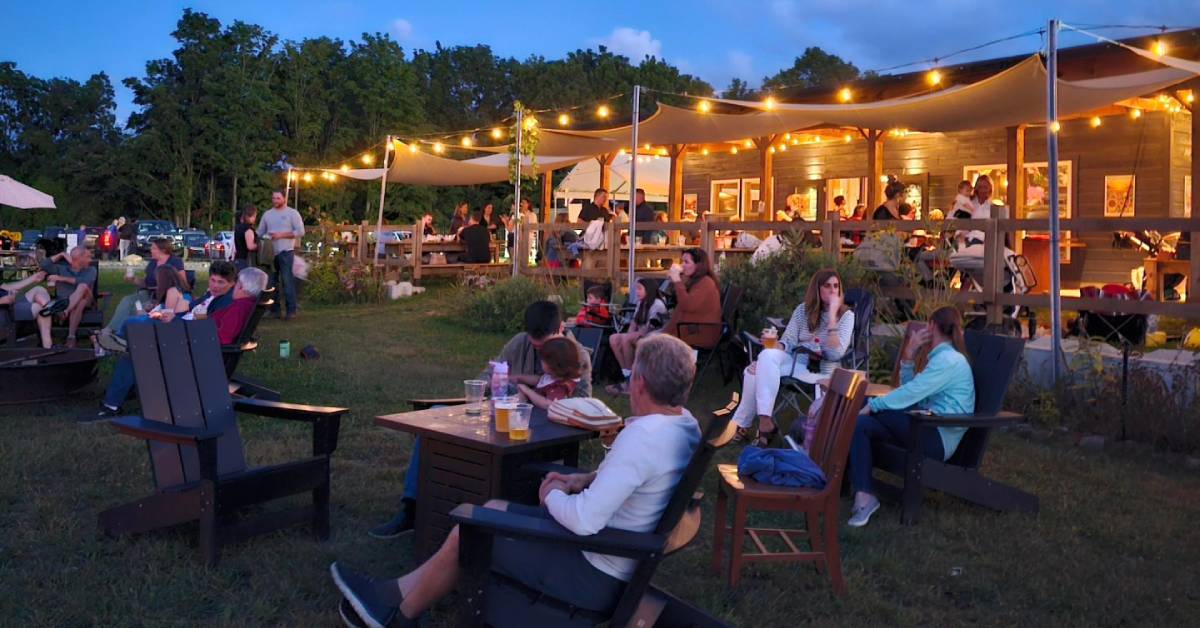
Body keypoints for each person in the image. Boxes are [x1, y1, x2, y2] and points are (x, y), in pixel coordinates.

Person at [333, 334, 700, 628]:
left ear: (639, 382)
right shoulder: (682, 425)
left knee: (473, 529)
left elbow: (584, 520)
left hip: (589, 574)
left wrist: (554, 493)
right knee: (489, 509)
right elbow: (635, 480)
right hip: (613, 557)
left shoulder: (644, 439)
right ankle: (393, 595)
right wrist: (584, 479)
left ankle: (399, 613)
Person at [369, 301, 593, 539]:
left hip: (541, 432)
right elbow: (488, 374)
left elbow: (583, 405)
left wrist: (533, 399)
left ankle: (477, 516)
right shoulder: (519, 343)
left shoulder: (576, 356)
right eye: (535, 347)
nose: (539, 352)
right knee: (434, 422)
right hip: (503, 417)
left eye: (543, 347)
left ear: (560, 328)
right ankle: (413, 507)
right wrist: (492, 382)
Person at [846, 306, 975, 527]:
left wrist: (873, 404)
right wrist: (908, 357)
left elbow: (910, 394)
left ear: (932, 326)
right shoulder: (943, 359)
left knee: (868, 404)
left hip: (935, 439)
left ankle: (818, 439)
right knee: (860, 424)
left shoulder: (949, 361)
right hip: (922, 427)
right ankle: (864, 496)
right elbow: (913, 392)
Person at [85, 267, 268, 422]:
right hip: (195, 342)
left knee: (135, 353)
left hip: (194, 350)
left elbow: (222, 339)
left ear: (242, 286)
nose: (234, 287)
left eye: (236, 284)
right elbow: (212, 325)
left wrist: (188, 328)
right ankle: (123, 353)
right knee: (137, 346)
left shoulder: (238, 308)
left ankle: (111, 402)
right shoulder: (243, 304)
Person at [731, 269, 854, 446]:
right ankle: (765, 422)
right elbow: (787, 341)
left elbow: (835, 353)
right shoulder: (802, 310)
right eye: (827, 286)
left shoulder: (846, 316)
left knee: (753, 373)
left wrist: (833, 318)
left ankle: (745, 425)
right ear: (817, 289)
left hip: (822, 371)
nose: (833, 290)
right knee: (765, 357)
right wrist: (768, 352)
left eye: (836, 286)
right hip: (798, 362)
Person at [96, 265, 193, 352]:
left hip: (166, 328)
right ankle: (116, 340)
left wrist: (149, 315)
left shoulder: (172, 291)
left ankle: (119, 341)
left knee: (130, 320)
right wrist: (154, 309)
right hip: (175, 326)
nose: (157, 282)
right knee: (134, 318)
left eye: (158, 279)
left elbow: (167, 317)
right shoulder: (180, 291)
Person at [105, 237, 189, 335]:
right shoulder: (153, 263)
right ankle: (111, 330)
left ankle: (121, 334)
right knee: (127, 301)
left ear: (163, 250)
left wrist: (162, 288)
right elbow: (146, 282)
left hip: (165, 297)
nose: (150, 250)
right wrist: (133, 280)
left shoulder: (175, 261)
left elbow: (182, 282)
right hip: (148, 293)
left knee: (136, 309)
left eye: (153, 248)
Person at [606, 277, 668, 394]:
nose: (636, 292)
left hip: (654, 336)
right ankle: (627, 375)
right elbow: (634, 322)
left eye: (639, 289)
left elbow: (649, 328)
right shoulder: (641, 302)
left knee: (626, 339)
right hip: (641, 334)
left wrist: (628, 337)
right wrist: (627, 335)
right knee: (614, 338)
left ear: (648, 290)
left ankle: (631, 382)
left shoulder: (657, 304)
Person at [257, 190, 305, 320]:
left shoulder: (292, 213)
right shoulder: (267, 215)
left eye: (278, 198)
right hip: (271, 254)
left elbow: (300, 231)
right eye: (273, 198)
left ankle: (291, 310)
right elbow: (260, 232)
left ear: (284, 199)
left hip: (286, 252)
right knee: (272, 282)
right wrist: (263, 238)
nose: (275, 201)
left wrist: (281, 235)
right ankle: (275, 310)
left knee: (287, 281)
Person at [663, 247, 722, 350]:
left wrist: (677, 280)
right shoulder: (697, 281)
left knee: (649, 343)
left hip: (700, 334)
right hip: (689, 329)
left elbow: (688, 305)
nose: (682, 265)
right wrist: (674, 281)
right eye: (682, 261)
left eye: (686, 262)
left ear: (698, 265)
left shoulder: (706, 283)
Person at [39, 246, 96, 347]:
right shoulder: (60, 268)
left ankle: (65, 312)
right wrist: (61, 254)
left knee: (82, 286)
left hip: (87, 297)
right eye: (88, 257)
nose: (90, 260)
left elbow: (84, 281)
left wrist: (61, 278)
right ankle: (71, 337)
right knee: (80, 302)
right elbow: (44, 265)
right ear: (79, 258)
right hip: (70, 300)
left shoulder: (91, 270)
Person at [512, 336, 584, 409]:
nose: (541, 362)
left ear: (552, 364)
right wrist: (519, 377)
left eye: (543, 360)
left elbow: (547, 404)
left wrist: (528, 391)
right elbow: (539, 379)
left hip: (543, 416)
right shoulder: (555, 375)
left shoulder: (559, 387)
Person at [0, 270, 53, 348]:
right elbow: (7, 299)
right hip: (4, 312)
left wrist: (33, 278)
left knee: (38, 289)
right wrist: (4, 299)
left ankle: (50, 307)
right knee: (39, 308)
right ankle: (48, 345)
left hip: (11, 304)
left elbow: (9, 287)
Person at [234, 204, 259, 270]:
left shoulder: (238, 227)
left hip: (238, 259)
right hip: (247, 260)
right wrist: (260, 245)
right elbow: (250, 246)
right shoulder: (248, 229)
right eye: (254, 216)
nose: (255, 218)